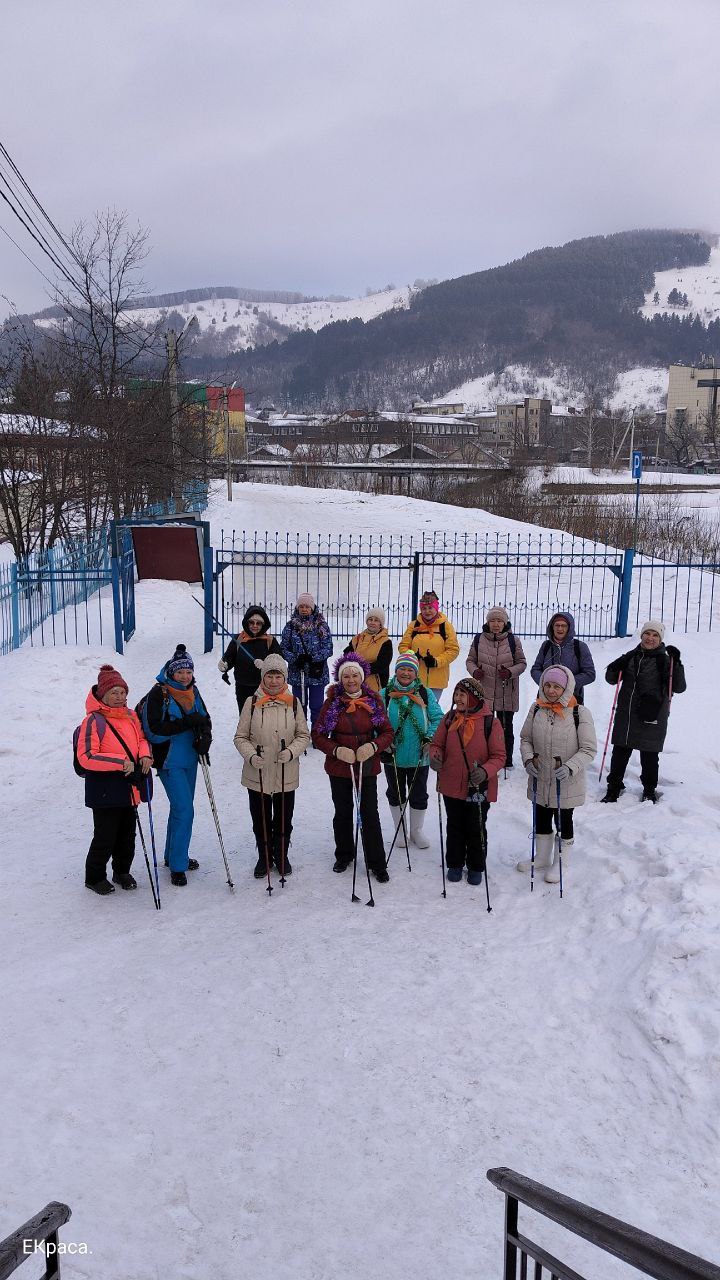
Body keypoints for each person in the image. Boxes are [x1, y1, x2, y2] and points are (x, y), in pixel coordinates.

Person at [312, 653, 394, 881]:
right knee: (343, 811)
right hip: (340, 765)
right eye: (346, 676)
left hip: (366, 764)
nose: (350, 680)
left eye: (355, 675)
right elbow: (317, 735)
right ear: (340, 679)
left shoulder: (374, 700)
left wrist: (374, 746)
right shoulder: (333, 703)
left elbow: (387, 732)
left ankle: (376, 861)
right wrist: (337, 750)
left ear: (362, 677)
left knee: (369, 812)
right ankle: (344, 854)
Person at [76, 663, 152, 895]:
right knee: (105, 835)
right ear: (103, 695)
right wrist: (121, 763)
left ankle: (122, 871)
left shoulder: (131, 715)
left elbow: (141, 738)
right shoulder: (93, 721)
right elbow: (87, 756)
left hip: (130, 785)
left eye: (123, 692)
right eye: (114, 693)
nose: (120, 697)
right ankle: (95, 876)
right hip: (104, 788)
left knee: (127, 834)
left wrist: (145, 754)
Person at [518, 666, 597, 882]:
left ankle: (561, 862)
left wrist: (571, 767)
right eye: (548, 685)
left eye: (557, 686)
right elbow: (526, 739)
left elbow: (589, 749)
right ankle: (542, 857)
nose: (551, 690)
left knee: (563, 820)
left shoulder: (579, 713)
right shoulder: (536, 709)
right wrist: (527, 759)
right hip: (540, 777)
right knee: (541, 816)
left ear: (566, 687)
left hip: (566, 781)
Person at [234, 654, 310, 879]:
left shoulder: (294, 703)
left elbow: (303, 735)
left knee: (284, 817)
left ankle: (282, 854)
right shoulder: (251, 703)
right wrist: (250, 755)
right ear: (263, 677)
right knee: (261, 817)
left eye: (278, 676)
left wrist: (291, 751)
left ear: (284, 678)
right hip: (257, 771)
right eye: (270, 675)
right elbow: (240, 737)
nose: (274, 681)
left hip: (286, 770)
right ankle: (264, 856)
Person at [142, 644, 212, 887]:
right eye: (180, 672)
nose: (184, 676)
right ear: (171, 672)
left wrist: (206, 737)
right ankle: (178, 866)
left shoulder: (194, 691)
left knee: (180, 809)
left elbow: (204, 718)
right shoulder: (158, 694)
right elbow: (153, 732)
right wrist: (185, 724)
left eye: (188, 672)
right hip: (170, 762)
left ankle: (173, 856)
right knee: (185, 809)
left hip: (191, 759)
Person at [428, 677, 506, 884]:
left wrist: (485, 771)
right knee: (454, 825)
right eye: (456, 694)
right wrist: (434, 757)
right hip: (451, 783)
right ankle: (454, 863)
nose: (458, 698)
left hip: (478, 786)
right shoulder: (449, 719)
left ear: (474, 697)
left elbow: (499, 756)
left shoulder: (491, 722)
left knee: (476, 826)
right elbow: (437, 744)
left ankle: (476, 866)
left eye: (463, 694)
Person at [600, 620, 685, 804]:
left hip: (652, 713)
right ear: (641, 635)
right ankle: (613, 787)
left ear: (660, 638)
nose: (650, 638)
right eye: (647, 634)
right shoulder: (632, 656)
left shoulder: (665, 659)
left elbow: (679, 687)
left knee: (649, 755)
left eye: (655, 635)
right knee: (620, 752)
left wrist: (676, 663)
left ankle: (649, 790)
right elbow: (611, 679)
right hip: (627, 713)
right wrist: (616, 665)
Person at [380, 652, 443, 849]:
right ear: (396, 671)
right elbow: (376, 722)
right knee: (395, 792)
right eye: (402, 669)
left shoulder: (425, 693)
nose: (406, 673)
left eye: (410, 670)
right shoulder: (384, 694)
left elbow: (437, 718)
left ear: (416, 673)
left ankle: (416, 831)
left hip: (419, 755)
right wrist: (383, 741)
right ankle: (400, 829)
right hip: (394, 755)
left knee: (419, 793)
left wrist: (429, 739)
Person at [465, 605, 527, 767]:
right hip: (484, 691)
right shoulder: (479, 639)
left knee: (505, 727)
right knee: (484, 727)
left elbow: (522, 663)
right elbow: (470, 660)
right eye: (492, 620)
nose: (496, 624)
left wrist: (510, 672)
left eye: (499, 620)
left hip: (507, 691)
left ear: (505, 622)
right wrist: (475, 671)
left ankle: (506, 760)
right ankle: (486, 757)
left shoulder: (513, 640)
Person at [280, 592, 333, 729]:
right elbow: (284, 648)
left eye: (307, 606)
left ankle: (317, 732)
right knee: (299, 705)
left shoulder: (321, 626)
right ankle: (301, 733)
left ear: (312, 608)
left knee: (317, 705)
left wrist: (313, 658)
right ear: (297, 608)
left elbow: (328, 648)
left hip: (317, 673)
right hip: (298, 673)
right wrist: (295, 659)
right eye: (301, 606)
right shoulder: (290, 626)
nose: (304, 609)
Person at [218, 605, 282, 716]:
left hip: (265, 687)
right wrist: (225, 664)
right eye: (251, 622)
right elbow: (230, 657)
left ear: (264, 624)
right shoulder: (238, 639)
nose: (254, 626)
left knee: (264, 719)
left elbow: (279, 663)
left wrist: (266, 665)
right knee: (245, 718)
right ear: (247, 623)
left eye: (258, 623)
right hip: (242, 686)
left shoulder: (270, 641)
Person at [398, 589, 460, 703]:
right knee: (415, 712)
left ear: (436, 608)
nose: (427, 611)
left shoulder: (446, 626)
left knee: (431, 711)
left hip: (437, 679)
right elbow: (403, 646)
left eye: (430, 608)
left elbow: (453, 650)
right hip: (414, 678)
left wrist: (436, 661)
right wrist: (411, 655)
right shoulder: (414, 625)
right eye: (424, 608)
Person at [530, 611, 595, 704]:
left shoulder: (580, 647)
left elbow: (590, 674)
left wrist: (566, 683)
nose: (560, 628)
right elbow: (535, 669)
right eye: (557, 625)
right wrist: (546, 683)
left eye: (564, 626)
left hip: (572, 699)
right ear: (552, 627)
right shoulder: (546, 646)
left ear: (569, 628)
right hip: (546, 697)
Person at [344, 607, 393, 693]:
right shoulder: (357, 638)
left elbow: (382, 665)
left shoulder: (385, 642)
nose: (372, 622)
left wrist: (361, 668)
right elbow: (347, 654)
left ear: (381, 624)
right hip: (355, 683)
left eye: (376, 620)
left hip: (376, 685)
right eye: (370, 619)